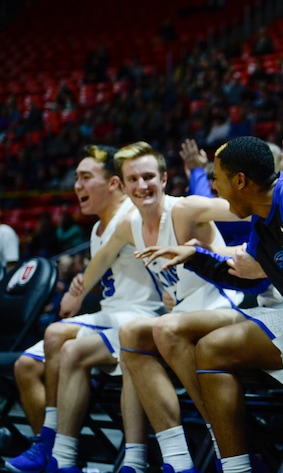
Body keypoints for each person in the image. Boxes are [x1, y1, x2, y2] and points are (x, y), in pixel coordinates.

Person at [139, 107, 283, 473]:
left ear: (239, 181)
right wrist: (194, 256)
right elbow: (247, 274)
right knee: (185, 339)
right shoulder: (265, 213)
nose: (213, 188)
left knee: (212, 349)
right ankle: (233, 452)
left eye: (215, 179)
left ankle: (240, 460)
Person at [53, 141, 245, 473]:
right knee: (133, 341)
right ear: (124, 187)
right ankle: (176, 460)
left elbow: (247, 207)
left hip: (223, 305)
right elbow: (101, 259)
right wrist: (78, 292)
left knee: (150, 330)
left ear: (165, 178)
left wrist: (229, 253)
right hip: (184, 313)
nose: (143, 186)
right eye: (134, 180)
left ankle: (215, 442)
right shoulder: (130, 226)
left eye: (149, 177)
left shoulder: (184, 209)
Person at [5, 145, 164, 473]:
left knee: (56, 332)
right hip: (110, 317)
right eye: (75, 177)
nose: (77, 185)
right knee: (25, 366)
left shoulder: (132, 216)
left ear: (114, 185)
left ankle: (52, 444)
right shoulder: (96, 228)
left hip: (140, 317)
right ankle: (52, 451)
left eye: (85, 177)